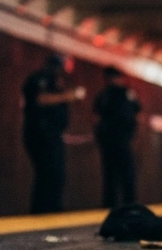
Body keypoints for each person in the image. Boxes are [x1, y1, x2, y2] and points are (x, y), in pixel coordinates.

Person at [22, 55, 85, 213]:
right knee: (48, 174)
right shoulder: (40, 79)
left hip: (53, 133)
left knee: (55, 175)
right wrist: (68, 96)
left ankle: (51, 211)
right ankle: (43, 212)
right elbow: (41, 99)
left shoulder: (55, 82)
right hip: (41, 133)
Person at [94, 66, 141, 208]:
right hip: (116, 140)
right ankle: (127, 207)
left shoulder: (107, 95)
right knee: (122, 175)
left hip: (115, 140)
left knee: (115, 176)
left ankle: (119, 206)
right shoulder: (116, 94)